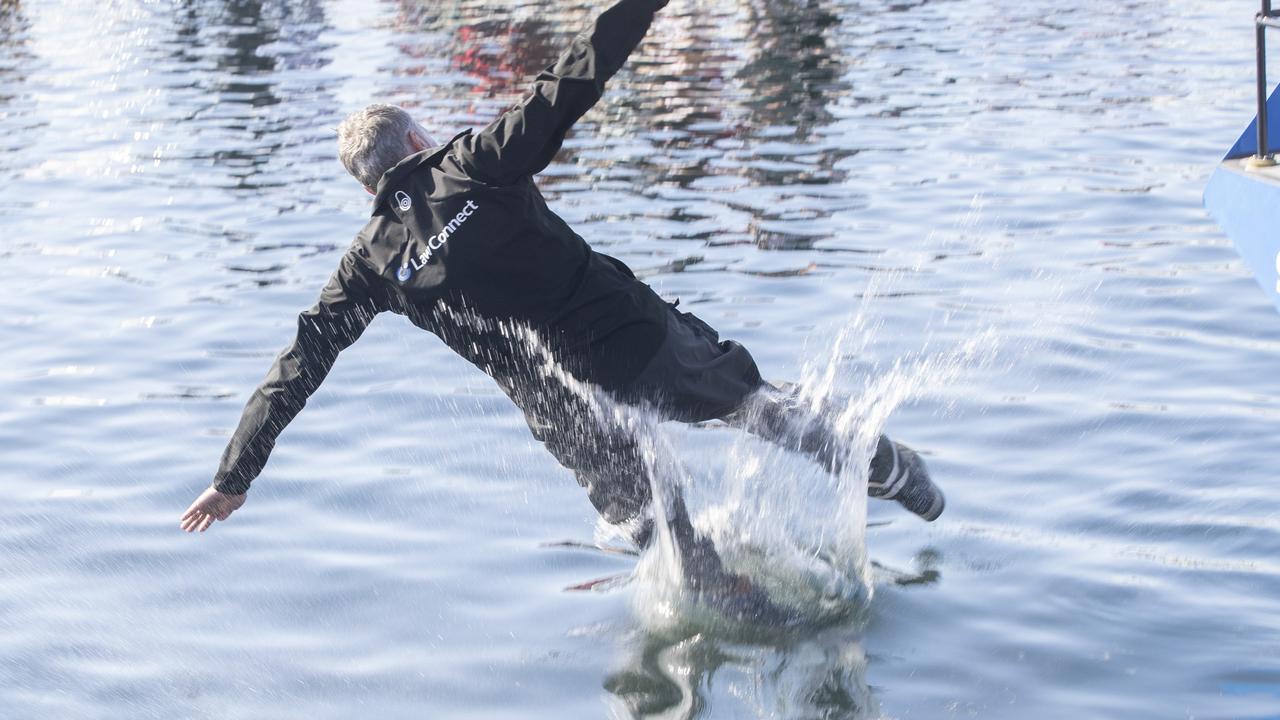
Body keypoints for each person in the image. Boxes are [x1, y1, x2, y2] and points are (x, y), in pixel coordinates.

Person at [180, 0, 944, 580]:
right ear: (416, 141)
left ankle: (746, 616)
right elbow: (576, 75)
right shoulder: (473, 162)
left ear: (370, 185)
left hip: (562, 407)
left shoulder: (371, 264)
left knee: (669, 542)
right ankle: (886, 468)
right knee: (757, 407)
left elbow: (298, 365)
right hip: (634, 341)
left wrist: (232, 477)